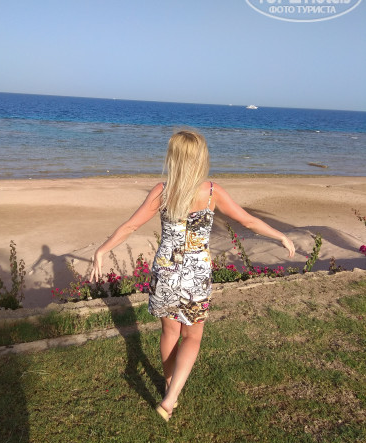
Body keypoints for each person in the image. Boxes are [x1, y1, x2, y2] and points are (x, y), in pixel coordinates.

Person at [90, 130, 295, 422]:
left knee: (170, 333)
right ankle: (171, 397)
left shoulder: (162, 191)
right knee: (192, 336)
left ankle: (169, 387)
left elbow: (130, 226)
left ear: (173, 158)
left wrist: (102, 250)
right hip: (195, 273)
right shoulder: (211, 192)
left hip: (166, 270)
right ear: (201, 158)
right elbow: (248, 221)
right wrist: (280, 235)